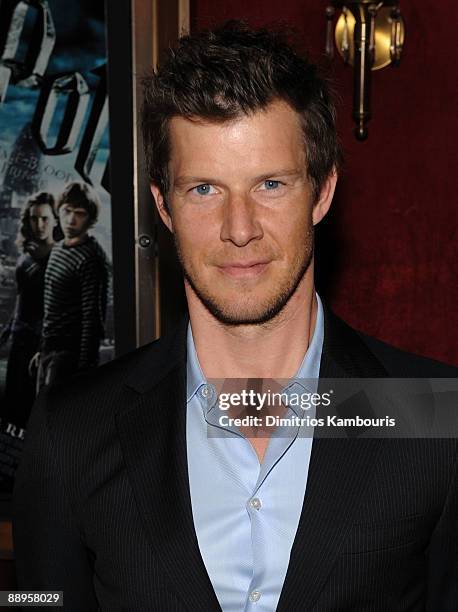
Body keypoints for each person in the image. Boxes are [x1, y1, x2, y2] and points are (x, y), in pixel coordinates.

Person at [13, 22, 457, 611]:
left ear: (322, 193)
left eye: (270, 184)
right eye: (203, 190)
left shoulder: (433, 414)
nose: (239, 228)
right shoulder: (71, 432)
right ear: (163, 205)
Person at [36, 181, 109, 389]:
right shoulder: (58, 249)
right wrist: (42, 349)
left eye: (80, 213)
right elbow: (51, 306)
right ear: (58, 211)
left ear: (90, 218)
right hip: (48, 349)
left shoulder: (91, 258)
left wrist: (85, 368)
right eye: (67, 211)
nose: (71, 219)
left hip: (69, 355)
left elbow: (92, 318)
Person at [0, 192, 58, 430]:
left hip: (39, 342)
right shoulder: (25, 256)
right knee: (11, 406)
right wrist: (7, 329)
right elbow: (22, 298)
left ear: (54, 219)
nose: (39, 224)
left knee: (32, 410)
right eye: (34, 219)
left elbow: (57, 308)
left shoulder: (59, 255)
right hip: (18, 338)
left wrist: (44, 347)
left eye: (44, 218)